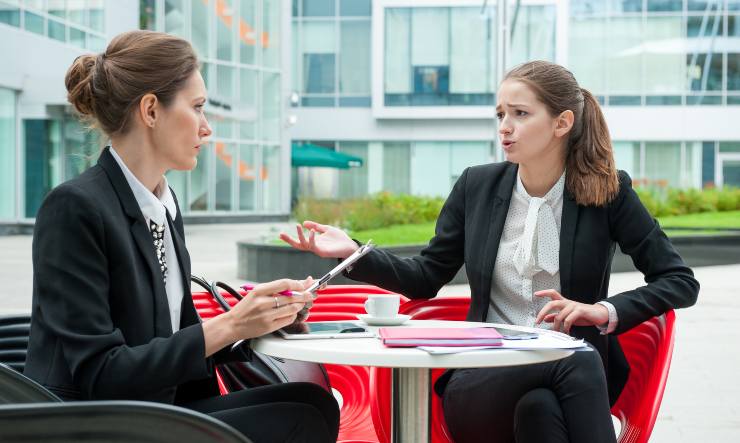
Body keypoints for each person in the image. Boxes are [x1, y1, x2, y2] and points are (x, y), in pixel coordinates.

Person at [281, 60, 699, 443]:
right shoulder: (476, 187)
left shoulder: (608, 191)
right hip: (483, 379)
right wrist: (352, 251)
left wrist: (602, 311)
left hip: (563, 389)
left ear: (562, 123)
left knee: (542, 411)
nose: (505, 126)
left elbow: (679, 281)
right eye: (500, 114)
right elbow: (425, 277)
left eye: (520, 113)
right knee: (576, 356)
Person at [24, 30, 339, 443]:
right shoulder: (75, 208)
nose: (207, 128)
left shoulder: (162, 206)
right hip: (95, 422)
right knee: (300, 417)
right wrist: (230, 324)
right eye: (198, 108)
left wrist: (259, 320)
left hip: (157, 408)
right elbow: (101, 373)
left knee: (313, 402)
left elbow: (177, 345)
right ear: (151, 110)